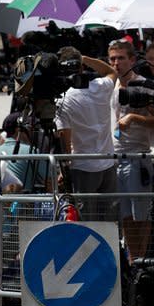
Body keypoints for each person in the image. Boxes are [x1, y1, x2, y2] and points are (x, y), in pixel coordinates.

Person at [108, 39, 154, 260]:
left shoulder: (144, 85)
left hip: (138, 157)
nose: (116, 63)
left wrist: (134, 118)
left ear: (132, 59)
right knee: (126, 217)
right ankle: (133, 261)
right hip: (116, 157)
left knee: (141, 215)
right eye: (112, 58)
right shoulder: (111, 86)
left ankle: (140, 260)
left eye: (121, 58)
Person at [55, 46, 117, 219]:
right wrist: (85, 57)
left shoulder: (63, 99)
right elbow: (110, 71)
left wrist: (63, 171)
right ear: (82, 67)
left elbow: (64, 144)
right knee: (109, 223)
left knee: (87, 222)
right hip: (108, 164)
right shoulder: (101, 86)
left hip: (83, 168)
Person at [0, 112, 49, 193]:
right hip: (23, 204)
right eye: (28, 126)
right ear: (18, 130)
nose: (31, 130)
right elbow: (50, 181)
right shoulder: (31, 151)